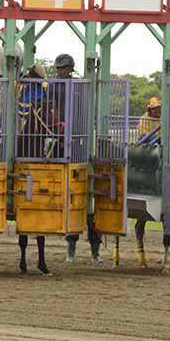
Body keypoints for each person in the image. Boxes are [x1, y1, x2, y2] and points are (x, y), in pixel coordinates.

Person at [53, 54, 103, 264]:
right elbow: (51, 108)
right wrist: (57, 129)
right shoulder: (54, 85)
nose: (61, 70)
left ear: (71, 68)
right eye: (59, 68)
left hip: (79, 140)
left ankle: (95, 252)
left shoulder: (80, 85)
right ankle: (70, 251)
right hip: (59, 136)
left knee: (88, 201)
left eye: (64, 68)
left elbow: (84, 110)